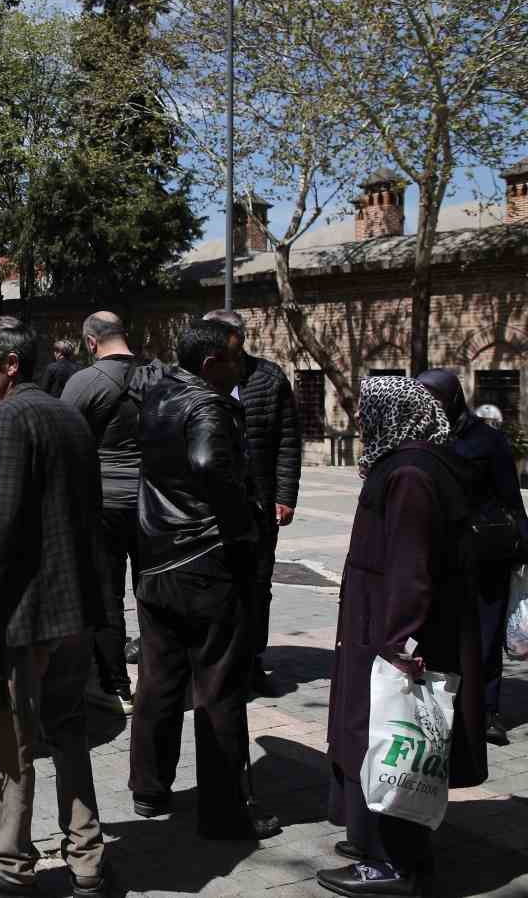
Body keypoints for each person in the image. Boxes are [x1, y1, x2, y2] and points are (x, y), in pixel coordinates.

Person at [0, 318, 108, 898]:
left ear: (11, 366)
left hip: (26, 615)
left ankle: (8, 862)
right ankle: (87, 860)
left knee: (6, 736)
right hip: (74, 610)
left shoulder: (9, 417)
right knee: (70, 732)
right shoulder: (67, 413)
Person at [318, 376, 488, 897]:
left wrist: (400, 645)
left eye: (367, 413)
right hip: (383, 626)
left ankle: (396, 863)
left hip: (394, 635)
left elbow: (411, 567)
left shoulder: (411, 473)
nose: (362, 422)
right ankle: (378, 844)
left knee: (395, 740)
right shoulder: (412, 462)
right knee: (379, 738)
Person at [131, 320, 280, 839]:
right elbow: (206, 461)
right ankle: (224, 811)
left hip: (155, 556)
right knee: (218, 685)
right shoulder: (207, 404)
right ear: (211, 363)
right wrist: (243, 526)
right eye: (236, 360)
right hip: (204, 561)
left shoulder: (158, 392)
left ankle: (149, 788)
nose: (244, 368)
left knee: (159, 677)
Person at [417, 368, 527, 747]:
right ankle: (442, 708)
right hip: (439, 552)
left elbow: (511, 498)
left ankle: (487, 711)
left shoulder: (486, 440)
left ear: (451, 398)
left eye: (433, 397)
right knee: (441, 632)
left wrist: (520, 548)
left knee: (485, 632)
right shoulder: (422, 437)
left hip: (484, 552)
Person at [60, 311, 163, 716]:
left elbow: (63, 441)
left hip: (102, 504)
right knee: (153, 593)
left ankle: (114, 686)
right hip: (155, 504)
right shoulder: (162, 376)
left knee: (107, 597)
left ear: (90, 342)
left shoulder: (84, 382)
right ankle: (160, 681)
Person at [203, 309, 302, 696]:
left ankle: (251, 659)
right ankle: (212, 660)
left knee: (257, 584)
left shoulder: (269, 377)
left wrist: (284, 496)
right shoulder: (199, 378)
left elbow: (288, 440)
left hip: (258, 503)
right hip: (209, 506)